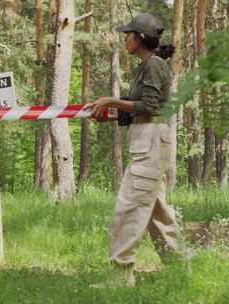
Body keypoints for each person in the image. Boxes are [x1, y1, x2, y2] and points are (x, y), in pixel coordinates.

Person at [85, 13, 179, 287]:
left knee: (128, 209)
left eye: (128, 34)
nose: (125, 39)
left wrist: (111, 100)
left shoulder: (154, 65)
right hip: (147, 138)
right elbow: (146, 108)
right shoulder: (147, 65)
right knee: (156, 212)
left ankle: (120, 274)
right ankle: (179, 268)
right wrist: (112, 115)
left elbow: (150, 107)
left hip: (150, 140)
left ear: (141, 38)